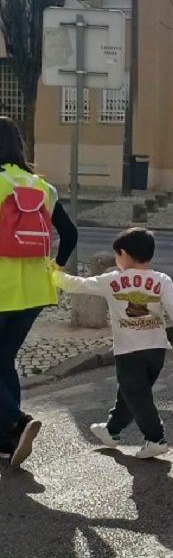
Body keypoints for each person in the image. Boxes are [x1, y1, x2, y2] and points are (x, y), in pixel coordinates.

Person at [53, 227, 173, 459]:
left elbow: (77, 284)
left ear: (124, 254)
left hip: (129, 350)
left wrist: (52, 275)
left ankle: (156, 437)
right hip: (157, 349)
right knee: (132, 392)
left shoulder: (113, 280)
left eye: (117, 256)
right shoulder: (162, 280)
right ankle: (112, 430)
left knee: (137, 394)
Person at [0, 117, 78, 467]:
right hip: (35, 292)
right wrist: (56, 267)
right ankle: (6, 440)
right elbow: (70, 234)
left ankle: (17, 421)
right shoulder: (42, 188)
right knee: (4, 358)